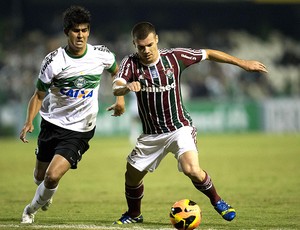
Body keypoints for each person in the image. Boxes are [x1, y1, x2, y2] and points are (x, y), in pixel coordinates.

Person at [112, 21, 268, 224]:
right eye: (141, 47)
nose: (146, 50)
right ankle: (134, 214)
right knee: (131, 177)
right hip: (151, 135)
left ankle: (218, 201)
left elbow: (208, 53)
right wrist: (125, 89)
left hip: (179, 128)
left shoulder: (175, 57)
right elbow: (117, 85)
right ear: (134, 44)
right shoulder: (130, 63)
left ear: (156, 39)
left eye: (150, 44)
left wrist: (242, 63)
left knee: (191, 169)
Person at [19, 5, 125, 224]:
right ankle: (45, 194)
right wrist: (29, 121)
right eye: (76, 30)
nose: (81, 35)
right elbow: (38, 95)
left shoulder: (101, 55)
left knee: (52, 175)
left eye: (85, 30)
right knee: (40, 176)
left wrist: (120, 98)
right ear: (67, 32)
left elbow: (117, 72)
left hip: (80, 129)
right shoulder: (54, 61)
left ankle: (30, 210)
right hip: (51, 123)